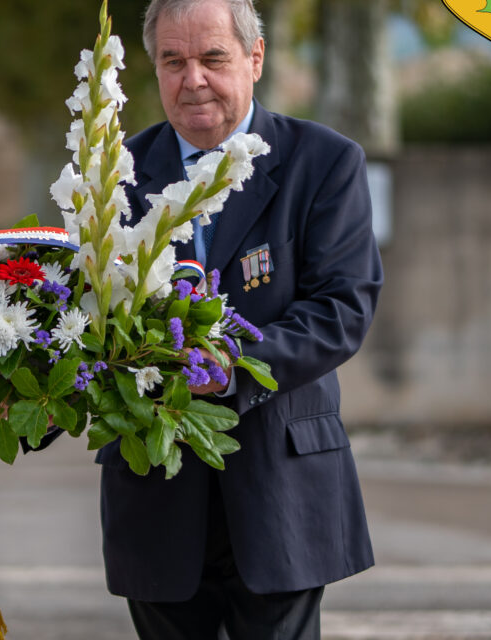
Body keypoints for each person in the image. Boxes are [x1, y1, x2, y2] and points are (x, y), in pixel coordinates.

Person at [97, 0, 384, 638]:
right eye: (173, 61)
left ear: (255, 59)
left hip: (281, 487)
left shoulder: (325, 162)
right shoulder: (110, 174)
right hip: (155, 490)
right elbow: (83, 314)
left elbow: (342, 307)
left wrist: (229, 368)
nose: (191, 78)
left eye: (212, 58)